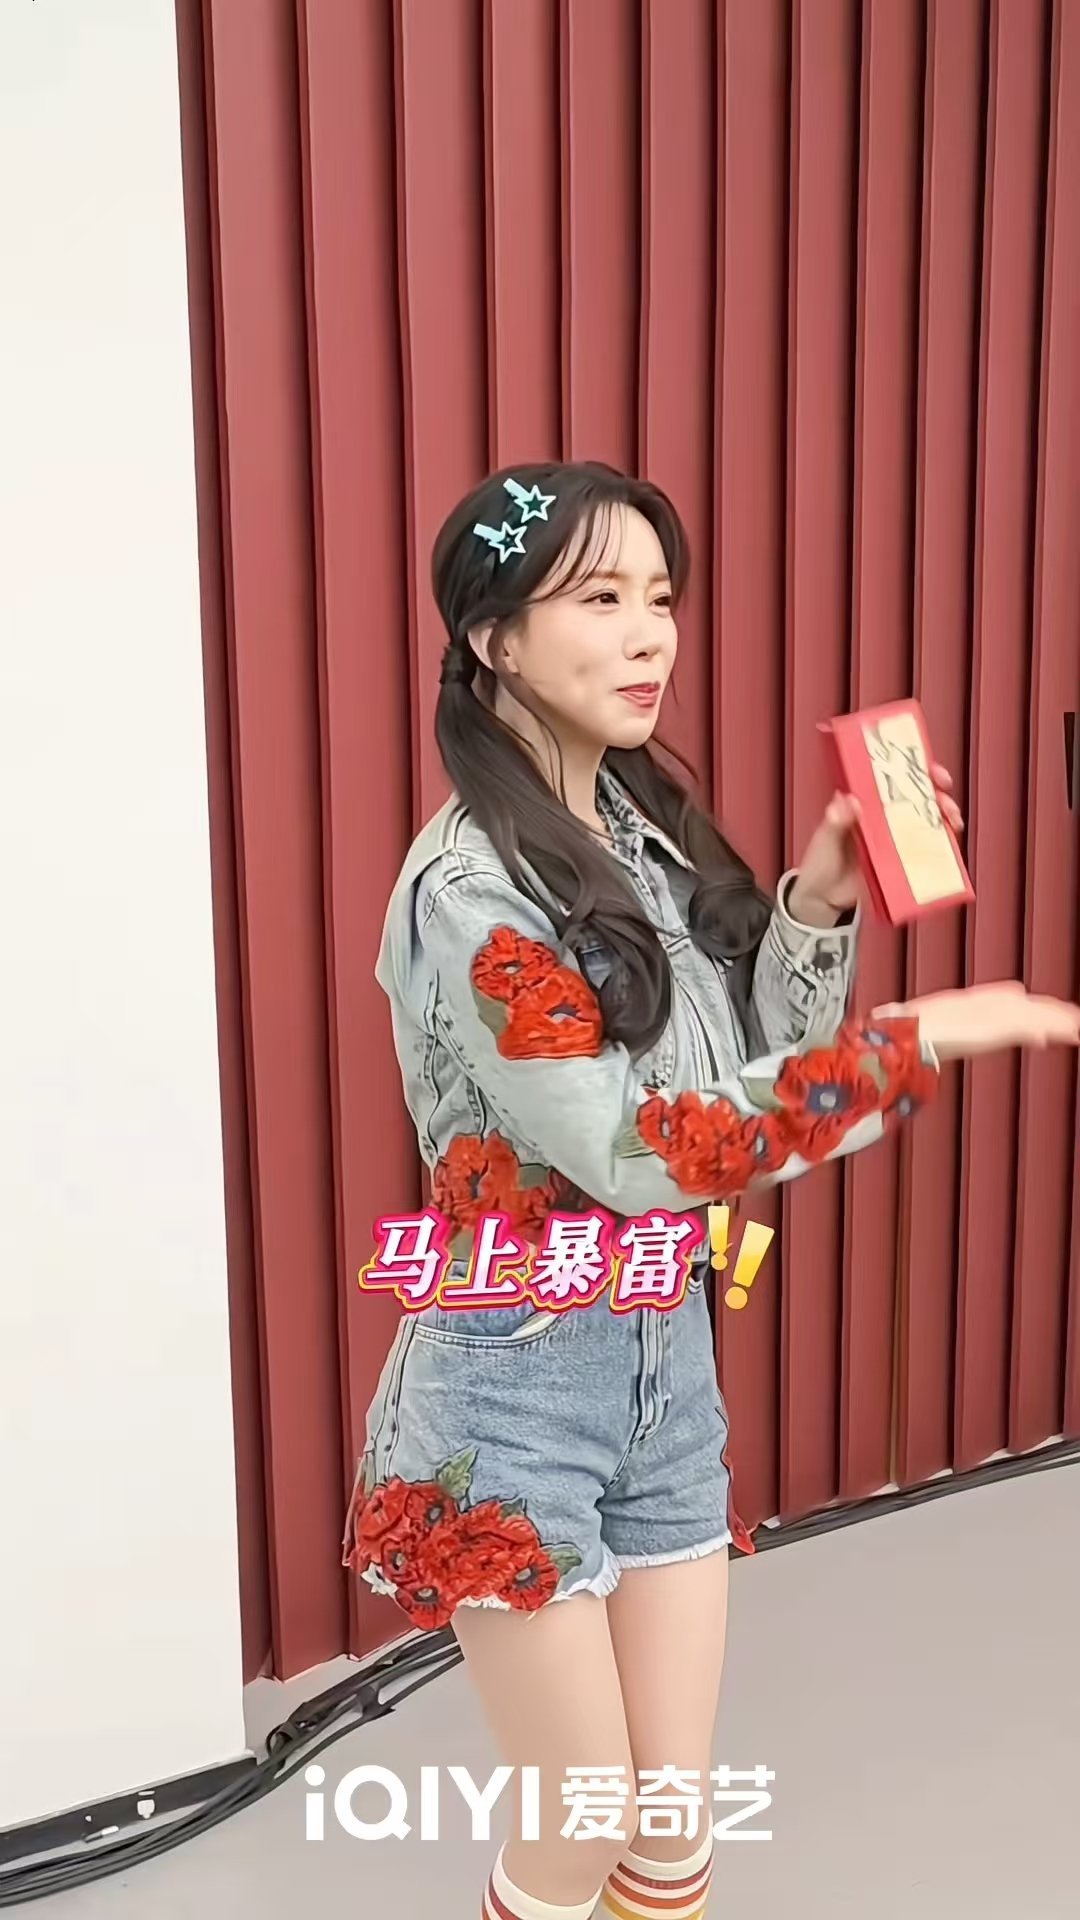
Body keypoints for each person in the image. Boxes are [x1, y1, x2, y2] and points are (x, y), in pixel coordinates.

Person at [344, 462, 1079, 1920]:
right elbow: (639, 1152)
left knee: (669, 1830)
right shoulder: (467, 892)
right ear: (494, 638)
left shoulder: (640, 829)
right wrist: (911, 1044)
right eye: (600, 599)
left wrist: (817, 895)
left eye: (661, 598)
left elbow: (744, 1067)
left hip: (663, 1358)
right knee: (581, 1827)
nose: (651, 636)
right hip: (509, 1385)